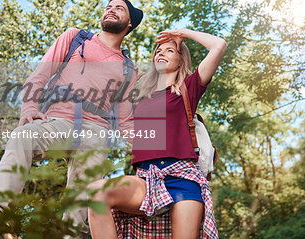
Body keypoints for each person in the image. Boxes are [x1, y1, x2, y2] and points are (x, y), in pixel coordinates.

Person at [0, 0, 143, 238]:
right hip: (57, 121)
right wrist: (29, 109)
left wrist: (152, 150)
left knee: (83, 198)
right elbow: (39, 75)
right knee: (23, 136)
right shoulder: (75, 38)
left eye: (119, 8)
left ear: (129, 24)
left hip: (96, 132)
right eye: (108, 7)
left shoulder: (128, 69)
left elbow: (124, 121)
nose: (111, 10)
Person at [87, 28, 226, 239]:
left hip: (183, 178)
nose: (161, 53)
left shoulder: (189, 88)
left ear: (181, 60)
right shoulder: (138, 96)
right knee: (97, 194)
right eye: (158, 50)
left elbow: (219, 45)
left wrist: (182, 34)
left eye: (170, 50)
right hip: (145, 176)